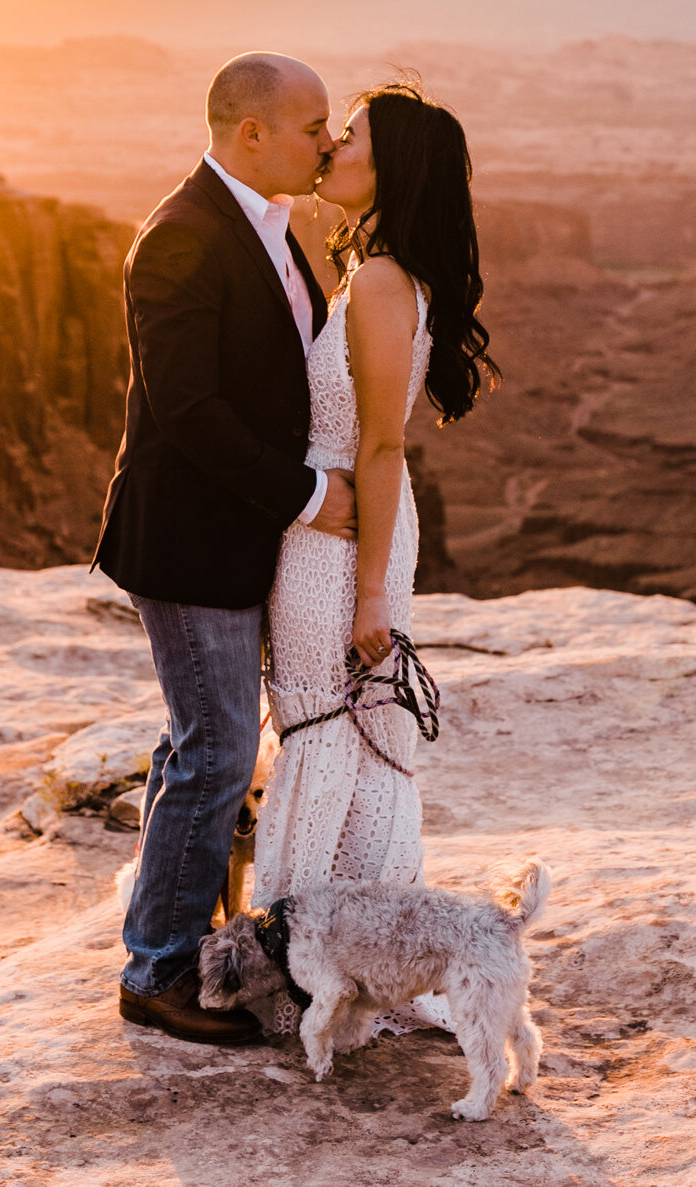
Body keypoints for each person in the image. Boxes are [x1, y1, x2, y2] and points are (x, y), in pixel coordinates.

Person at [94, 51, 358, 1045]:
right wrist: (303, 496)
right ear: (251, 132)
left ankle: (174, 936)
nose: (326, 142)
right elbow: (187, 409)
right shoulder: (182, 237)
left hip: (235, 538)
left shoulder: (269, 227)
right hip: (189, 543)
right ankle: (157, 970)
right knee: (214, 751)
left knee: (198, 743)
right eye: (310, 125)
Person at [254, 79, 496, 919]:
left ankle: (312, 960)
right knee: (332, 732)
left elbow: (384, 442)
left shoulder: (387, 282)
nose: (330, 147)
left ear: (390, 167)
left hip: (342, 543)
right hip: (333, 528)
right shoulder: (375, 272)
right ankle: (341, 947)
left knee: (328, 729)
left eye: (348, 135)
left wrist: (368, 596)